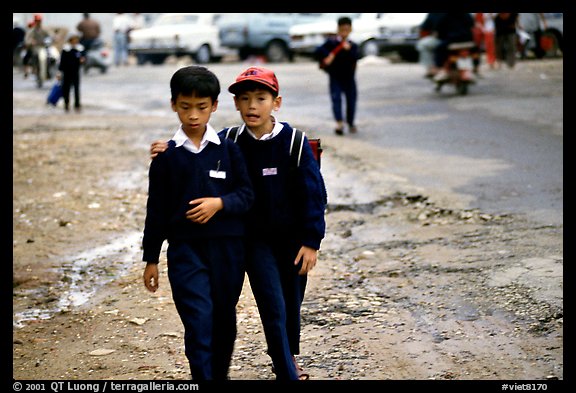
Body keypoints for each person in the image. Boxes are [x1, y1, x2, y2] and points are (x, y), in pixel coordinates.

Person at [150, 66, 328, 380]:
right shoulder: (230, 139)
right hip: (252, 240)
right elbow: (197, 149)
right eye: (244, 99)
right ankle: (287, 371)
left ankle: (287, 356)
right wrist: (168, 148)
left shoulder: (295, 143)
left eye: (260, 98)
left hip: (291, 240)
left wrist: (311, 241)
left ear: (277, 102)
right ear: (234, 104)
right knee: (273, 305)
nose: (252, 106)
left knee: (290, 301)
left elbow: (315, 196)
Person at [141, 65, 254, 380]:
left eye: (202, 107)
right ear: (173, 104)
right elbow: (157, 210)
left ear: (214, 106)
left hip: (228, 248)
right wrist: (150, 258)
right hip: (185, 251)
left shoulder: (229, 151)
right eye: (185, 106)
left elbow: (247, 195)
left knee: (223, 321)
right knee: (198, 320)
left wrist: (220, 203)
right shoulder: (166, 157)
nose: (193, 115)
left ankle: (219, 375)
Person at [316, 16, 360, 136]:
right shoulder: (331, 43)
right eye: (342, 30)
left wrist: (349, 50)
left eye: (347, 29)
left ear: (350, 29)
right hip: (335, 76)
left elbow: (356, 57)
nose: (344, 32)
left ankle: (350, 122)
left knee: (351, 100)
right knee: (336, 99)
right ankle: (339, 123)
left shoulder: (353, 45)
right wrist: (329, 55)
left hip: (349, 77)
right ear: (338, 29)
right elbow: (318, 50)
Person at [432, 13, 476, 82]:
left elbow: (438, 27)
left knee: (439, 49)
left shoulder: (445, 15)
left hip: (452, 39)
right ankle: (474, 68)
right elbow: (472, 24)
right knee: (474, 50)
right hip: (467, 39)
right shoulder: (466, 14)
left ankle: (442, 69)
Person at [58, 33, 85, 112]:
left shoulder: (80, 49)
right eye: (74, 39)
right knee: (66, 89)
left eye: (76, 39)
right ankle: (66, 104)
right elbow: (62, 62)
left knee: (76, 89)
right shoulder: (66, 49)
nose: (75, 41)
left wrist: (82, 60)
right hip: (67, 72)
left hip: (76, 72)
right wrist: (59, 72)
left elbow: (83, 58)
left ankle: (77, 104)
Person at [415, 13, 443, 78]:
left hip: (444, 40)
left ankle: (431, 68)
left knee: (423, 44)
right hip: (466, 38)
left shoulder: (435, 14)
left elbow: (424, 28)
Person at [23, 14, 51, 78]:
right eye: (37, 21)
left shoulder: (43, 29)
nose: (38, 22)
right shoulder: (32, 30)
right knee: (29, 57)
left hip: (43, 47)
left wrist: (53, 38)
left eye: (39, 21)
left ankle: (47, 71)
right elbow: (27, 39)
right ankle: (32, 70)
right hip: (34, 48)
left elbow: (50, 35)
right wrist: (31, 42)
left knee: (49, 57)